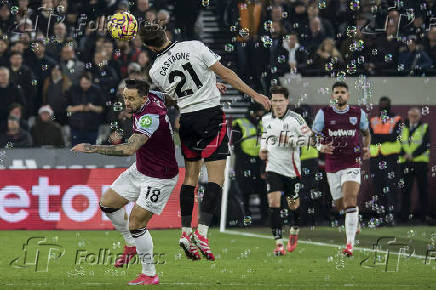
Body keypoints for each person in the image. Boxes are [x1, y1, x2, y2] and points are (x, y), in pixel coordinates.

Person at [139, 23, 270, 261]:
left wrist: (207, 85)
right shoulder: (194, 46)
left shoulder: (155, 70)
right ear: (166, 34)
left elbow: (176, 94)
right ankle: (202, 233)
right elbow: (227, 73)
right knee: (216, 178)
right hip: (210, 116)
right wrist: (254, 94)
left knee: (190, 177)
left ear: (148, 46)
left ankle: (185, 232)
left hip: (187, 120)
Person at [71, 79, 179, 285]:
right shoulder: (155, 96)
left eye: (131, 98)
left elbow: (129, 149)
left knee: (136, 223)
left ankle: (149, 273)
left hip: (159, 177)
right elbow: (172, 98)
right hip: (140, 169)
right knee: (107, 203)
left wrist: (92, 147)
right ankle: (130, 245)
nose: (126, 102)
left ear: (143, 98)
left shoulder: (150, 117)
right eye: (124, 97)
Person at [312, 81, 371, 257]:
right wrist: (319, 147)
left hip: (352, 162)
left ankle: (349, 245)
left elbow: (366, 134)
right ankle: (354, 220)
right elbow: (313, 135)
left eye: (343, 92)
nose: (339, 95)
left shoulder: (358, 113)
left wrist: (367, 148)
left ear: (348, 95)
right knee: (340, 205)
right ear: (332, 96)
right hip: (332, 165)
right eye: (336, 92)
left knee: (351, 201)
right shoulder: (324, 113)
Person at [260, 86, 312, 255]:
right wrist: (263, 148)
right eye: (274, 100)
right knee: (273, 203)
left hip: (292, 170)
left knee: (293, 205)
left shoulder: (296, 119)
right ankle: (278, 244)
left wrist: (291, 140)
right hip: (273, 168)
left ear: (287, 101)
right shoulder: (266, 119)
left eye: (280, 100)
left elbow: (309, 140)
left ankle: (294, 230)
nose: (277, 104)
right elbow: (265, 136)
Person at [231, 101, 267, 222]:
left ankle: (265, 219)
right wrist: (244, 159)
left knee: (263, 191)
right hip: (243, 162)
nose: (262, 114)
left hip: (260, 161)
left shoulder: (264, 123)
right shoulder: (239, 123)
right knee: (244, 192)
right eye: (260, 111)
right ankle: (246, 219)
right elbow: (235, 146)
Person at [369, 96, 402, 225]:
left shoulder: (397, 120)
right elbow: (371, 137)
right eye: (381, 105)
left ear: (389, 106)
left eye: (385, 105)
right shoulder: (373, 120)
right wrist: (385, 137)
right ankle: (380, 217)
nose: (383, 107)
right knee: (378, 190)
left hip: (391, 159)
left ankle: (392, 217)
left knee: (391, 189)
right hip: (376, 158)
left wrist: (379, 137)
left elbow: (395, 137)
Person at [399, 107, 431, 224]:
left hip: (420, 163)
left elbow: (425, 144)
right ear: (408, 116)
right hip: (406, 163)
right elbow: (399, 143)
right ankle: (404, 217)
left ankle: (424, 217)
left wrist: (412, 154)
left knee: (423, 190)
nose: (413, 118)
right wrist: (404, 154)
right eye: (411, 115)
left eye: (415, 116)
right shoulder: (403, 128)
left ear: (419, 117)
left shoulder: (424, 127)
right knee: (405, 190)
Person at [65, 73, 105, 146]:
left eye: (87, 83)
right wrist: (80, 108)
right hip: (76, 127)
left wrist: (92, 107)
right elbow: (67, 108)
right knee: (75, 152)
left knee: (91, 153)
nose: (85, 85)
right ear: (80, 82)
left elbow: (102, 108)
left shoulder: (97, 90)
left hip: (92, 128)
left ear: (91, 82)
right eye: (83, 83)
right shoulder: (73, 90)